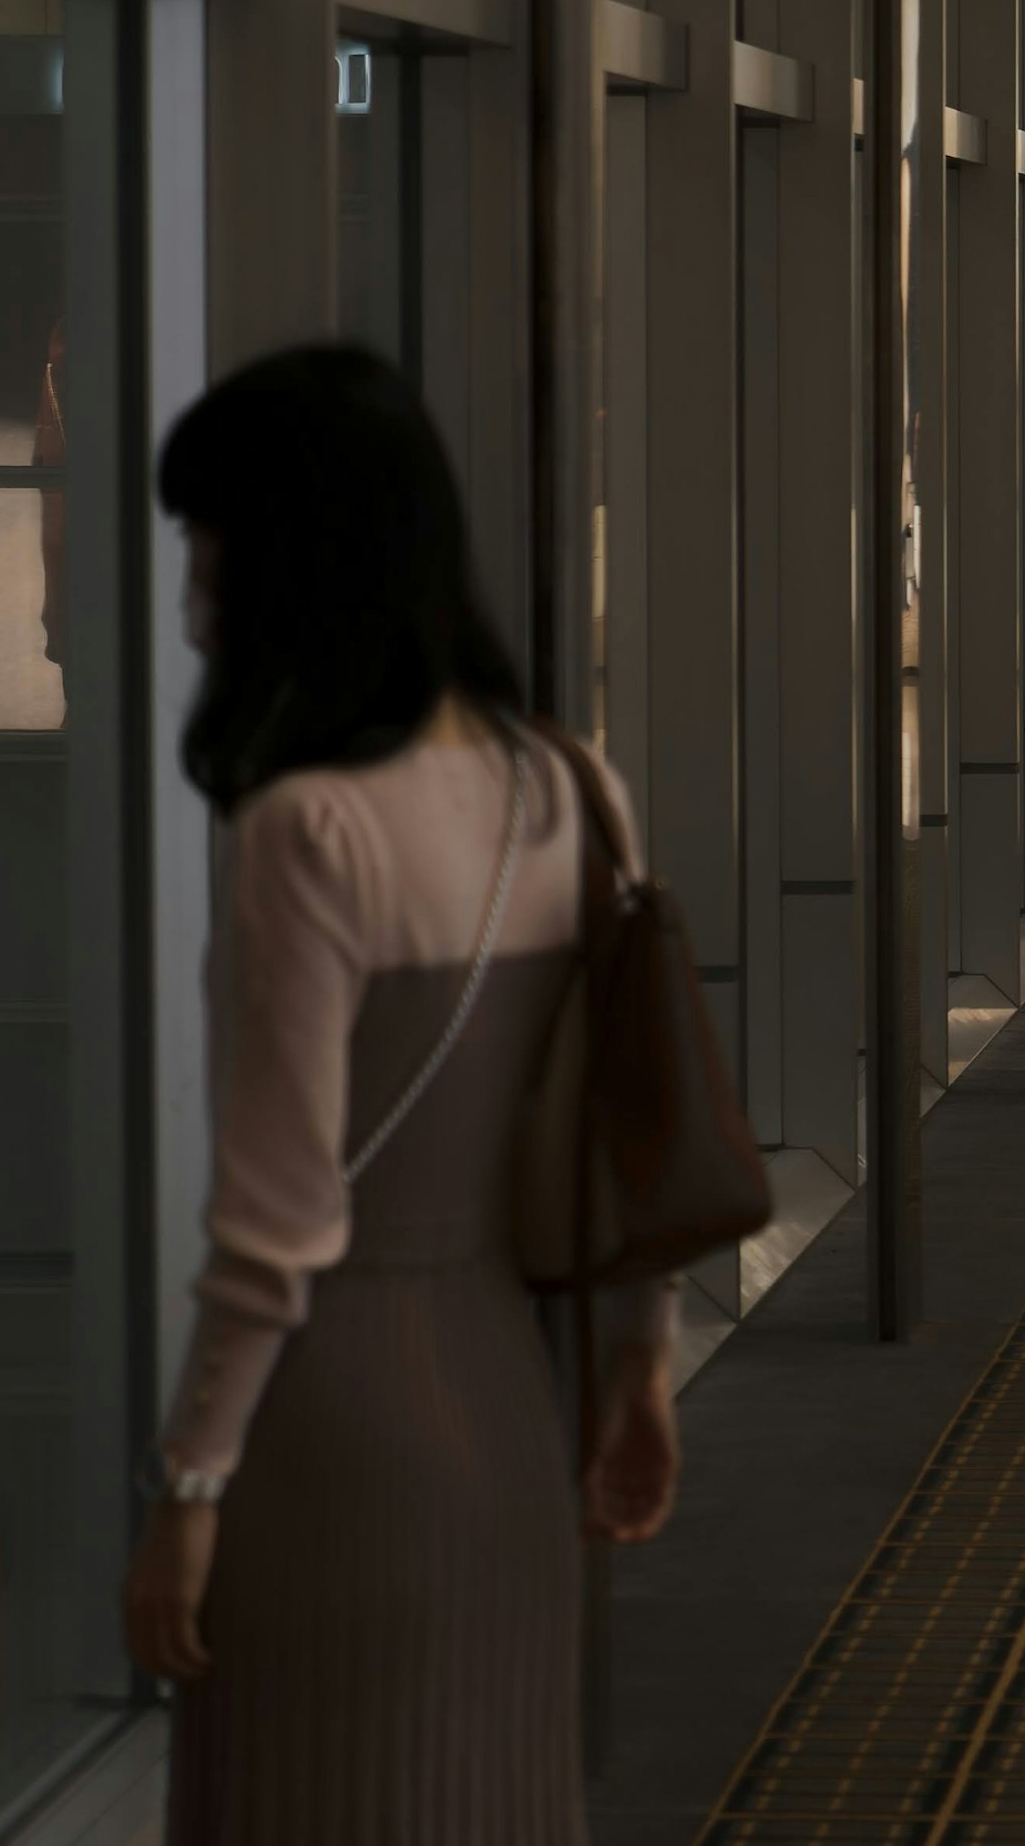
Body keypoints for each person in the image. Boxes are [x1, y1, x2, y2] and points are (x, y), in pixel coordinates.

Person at [121, 345, 677, 1845]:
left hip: (331, 1428)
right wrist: (639, 1360)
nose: (193, 586)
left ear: (287, 562)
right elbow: (639, 1118)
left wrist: (190, 1483)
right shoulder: (572, 784)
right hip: (507, 1396)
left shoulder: (306, 831)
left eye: (209, 542)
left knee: (304, 1793)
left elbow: (278, 1227)